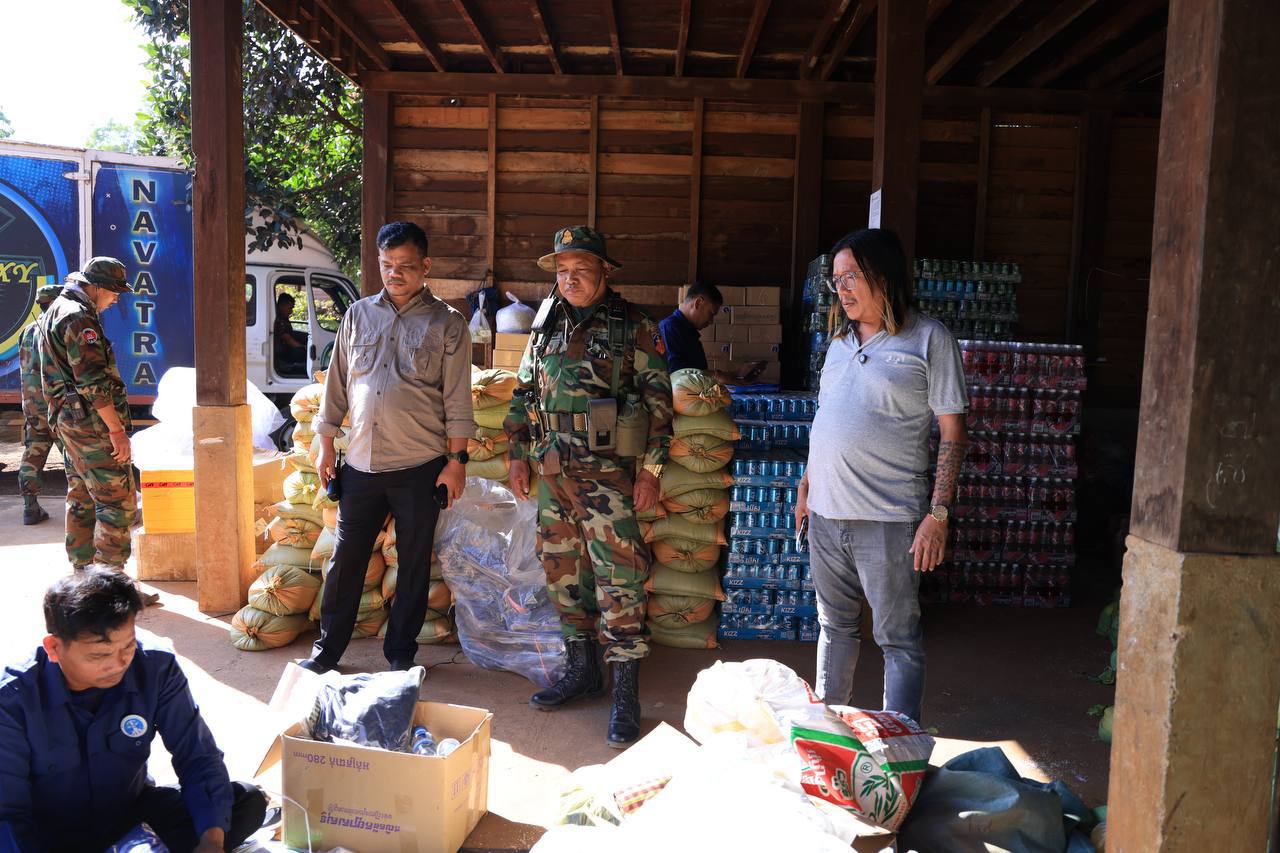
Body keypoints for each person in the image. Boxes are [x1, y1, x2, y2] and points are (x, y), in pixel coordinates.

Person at [504, 225, 674, 748]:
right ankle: (582, 671)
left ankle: (625, 691)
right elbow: (524, 391)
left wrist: (651, 472)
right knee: (562, 571)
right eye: (562, 270)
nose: (570, 278)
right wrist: (517, 454)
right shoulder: (545, 322)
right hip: (553, 471)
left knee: (619, 577)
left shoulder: (634, 325)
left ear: (604, 272)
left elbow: (660, 408)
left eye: (581, 269)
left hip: (609, 477)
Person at [794, 228, 968, 726]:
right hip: (825, 514)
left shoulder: (929, 339)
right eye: (836, 280)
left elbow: (953, 432)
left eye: (851, 277)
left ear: (883, 275)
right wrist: (806, 486)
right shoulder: (839, 343)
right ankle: (828, 736)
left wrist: (938, 514)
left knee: (898, 638)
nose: (842, 289)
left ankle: (901, 743)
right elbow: (826, 418)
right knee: (834, 628)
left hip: (888, 518)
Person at [301, 221, 474, 674]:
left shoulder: (448, 323)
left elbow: (458, 399)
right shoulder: (358, 315)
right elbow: (337, 384)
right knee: (346, 562)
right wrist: (325, 444)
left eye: (405, 265)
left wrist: (456, 461)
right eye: (386, 264)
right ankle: (327, 652)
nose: (394, 273)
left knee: (414, 564)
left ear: (426, 266)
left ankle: (401, 654)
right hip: (360, 464)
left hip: (419, 466)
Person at [0, 568, 268, 852]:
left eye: (127, 646)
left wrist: (211, 843)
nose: (119, 664)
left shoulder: (156, 667)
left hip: (128, 815)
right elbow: (8, 813)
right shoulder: (12, 699)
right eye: (99, 654)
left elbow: (197, 757)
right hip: (50, 833)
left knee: (243, 803)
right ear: (54, 648)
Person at [36, 258, 141, 574]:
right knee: (117, 501)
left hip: (68, 421)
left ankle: (83, 575)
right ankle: (110, 583)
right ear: (94, 287)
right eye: (113, 292)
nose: (116, 299)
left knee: (81, 495)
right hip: (89, 424)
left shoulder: (56, 309)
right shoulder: (79, 318)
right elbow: (92, 383)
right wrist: (116, 431)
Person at [17, 284, 64, 525]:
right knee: (77, 459)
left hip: (33, 406)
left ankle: (30, 508)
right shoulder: (60, 327)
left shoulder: (27, 331)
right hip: (58, 406)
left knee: (32, 456)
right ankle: (85, 511)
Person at [657, 281, 722, 373]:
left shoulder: (690, 332)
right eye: (711, 314)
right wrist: (716, 376)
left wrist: (729, 375)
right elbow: (677, 374)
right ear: (698, 303)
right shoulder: (669, 328)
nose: (711, 321)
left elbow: (700, 371)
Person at [273, 292, 308, 375]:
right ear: (282, 305)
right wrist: (304, 347)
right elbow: (288, 340)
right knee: (300, 353)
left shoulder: (283, 318)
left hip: (285, 348)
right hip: (282, 352)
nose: (291, 311)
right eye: (290, 308)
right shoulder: (279, 320)